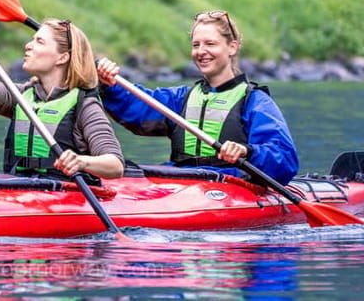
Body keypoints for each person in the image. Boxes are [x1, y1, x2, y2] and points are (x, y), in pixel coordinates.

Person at [96, 10, 298, 185]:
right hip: (179, 179)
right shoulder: (180, 99)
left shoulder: (254, 102)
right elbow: (138, 108)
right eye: (196, 45)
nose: (201, 52)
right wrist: (110, 84)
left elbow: (285, 159)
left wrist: (247, 151)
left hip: (230, 185)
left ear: (232, 47)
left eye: (210, 43)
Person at [0, 18, 125, 181]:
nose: (28, 45)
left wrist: (81, 161)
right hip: (18, 190)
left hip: (64, 198)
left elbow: (115, 165)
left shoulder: (84, 105)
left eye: (39, 41)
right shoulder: (21, 95)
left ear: (62, 58)